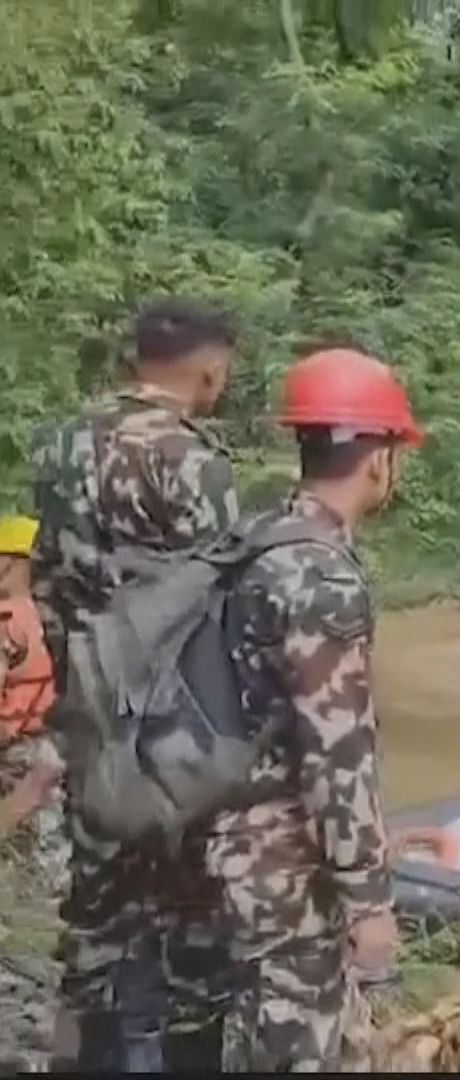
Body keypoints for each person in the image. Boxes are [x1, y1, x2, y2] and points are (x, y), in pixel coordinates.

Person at [29, 298, 243, 1073]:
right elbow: (214, 607)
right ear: (209, 368)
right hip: (171, 731)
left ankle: (81, 1057)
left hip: (87, 711)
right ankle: (186, 1054)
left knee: (96, 914)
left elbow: (50, 579)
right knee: (193, 913)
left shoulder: (60, 444)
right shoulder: (193, 461)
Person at [206, 346, 423, 1072]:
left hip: (225, 842)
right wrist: (368, 901)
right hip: (284, 871)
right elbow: (337, 749)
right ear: (379, 458)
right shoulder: (319, 576)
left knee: (260, 1039)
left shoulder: (255, 541)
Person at [0, 514, 65, 884]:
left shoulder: (6, 622)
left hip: (9, 755)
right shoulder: (52, 616)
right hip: (48, 746)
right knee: (47, 860)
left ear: (11, 562)